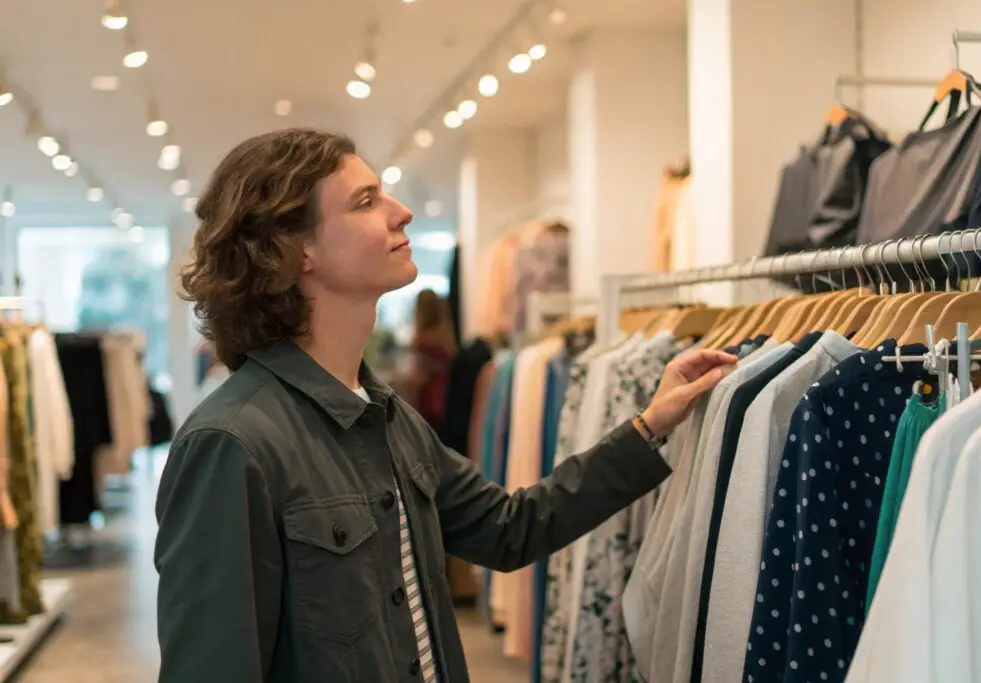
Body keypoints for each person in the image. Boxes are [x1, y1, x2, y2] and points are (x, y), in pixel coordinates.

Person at [154, 128, 737, 683]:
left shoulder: (386, 418)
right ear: (295, 250)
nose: (400, 211)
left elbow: (511, 529)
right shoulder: (232, 443)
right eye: (365, 201)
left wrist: (650, 425)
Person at [394, 289, 457, 432]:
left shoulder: (422, 343)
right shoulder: (447, 341)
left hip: (427, 405)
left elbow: (415, 379)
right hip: (445, 403)